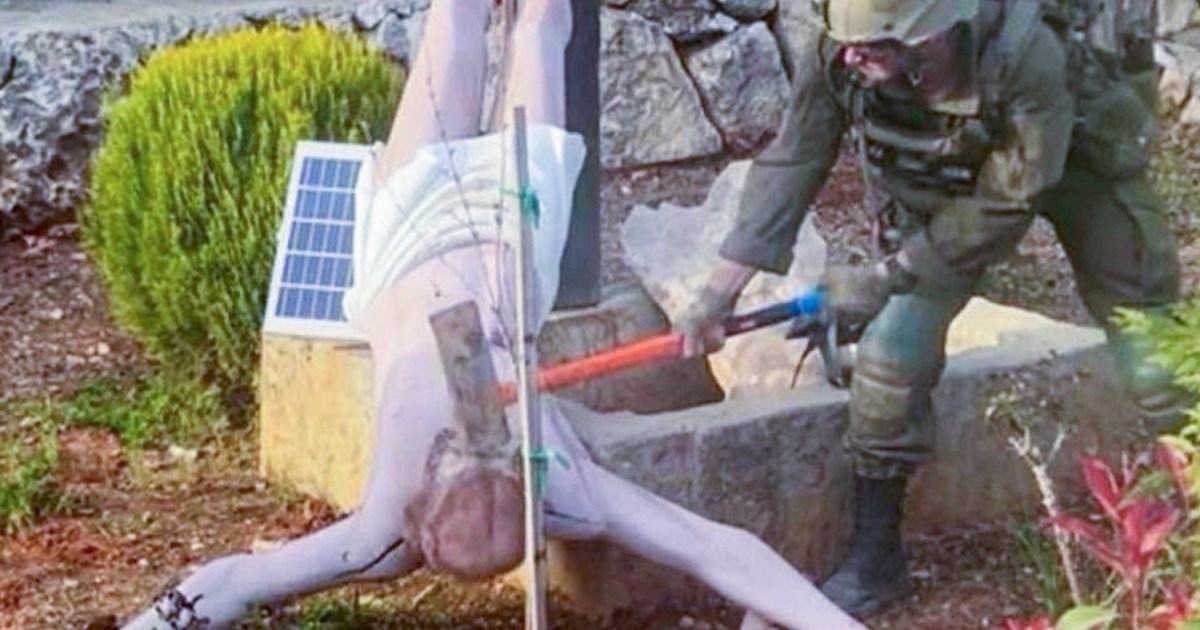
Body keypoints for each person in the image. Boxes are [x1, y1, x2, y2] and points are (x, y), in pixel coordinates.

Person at [118, 0, 865, 628]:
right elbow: (714, 547)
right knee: (537, 22)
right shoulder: (560, 488)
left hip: (417, 233)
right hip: (509, 224)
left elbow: (238, 581)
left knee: (460, 22)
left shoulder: (390, 528)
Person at [677, 0, 1190, 620]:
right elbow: (795, 157)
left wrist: (884, 275)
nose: (851, 56)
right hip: (948, 184)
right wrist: (718, 292)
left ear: (929, 38)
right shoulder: (842, 44)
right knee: (890, 355)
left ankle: (1190, 509)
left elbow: (1009, 198)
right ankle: (876, 560)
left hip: (1074, 155)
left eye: (872, 48)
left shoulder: (1026, 51)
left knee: (1150, 341)